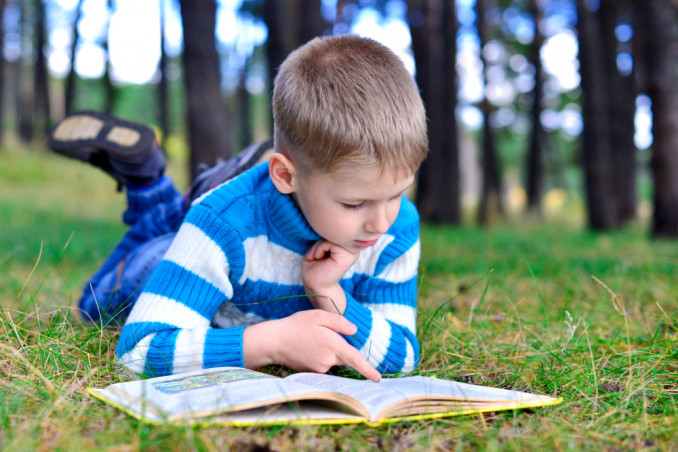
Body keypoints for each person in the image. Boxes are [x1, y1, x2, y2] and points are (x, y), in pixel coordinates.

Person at [49, 35, 428, 383]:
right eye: (354, 203)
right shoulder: (223, 224)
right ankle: (148, 185)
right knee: (101, 301)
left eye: (398, 194)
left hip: (237, 226)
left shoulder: (397, 226)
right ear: (285, 175)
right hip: (213, 235)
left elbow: (404, 354)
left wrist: (330, 294)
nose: (381, 222)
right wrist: (270, 343)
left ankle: (189, 193)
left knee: (205, 223)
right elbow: (137, 352)